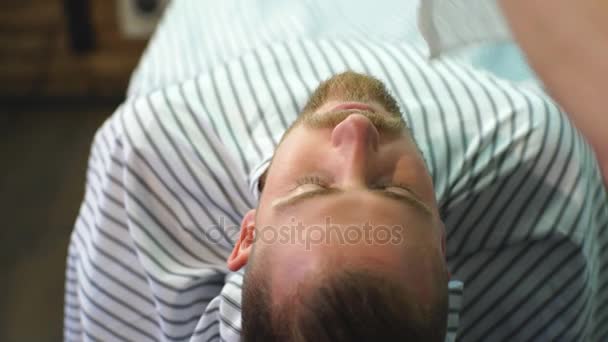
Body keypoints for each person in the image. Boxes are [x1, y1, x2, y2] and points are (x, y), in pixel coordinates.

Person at [64, 1, 607, 341]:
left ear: (246, 232)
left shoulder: (147, 162)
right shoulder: (534, 154)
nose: (356, 134)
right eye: (393, 188)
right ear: (445, 244)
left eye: (312, 185)